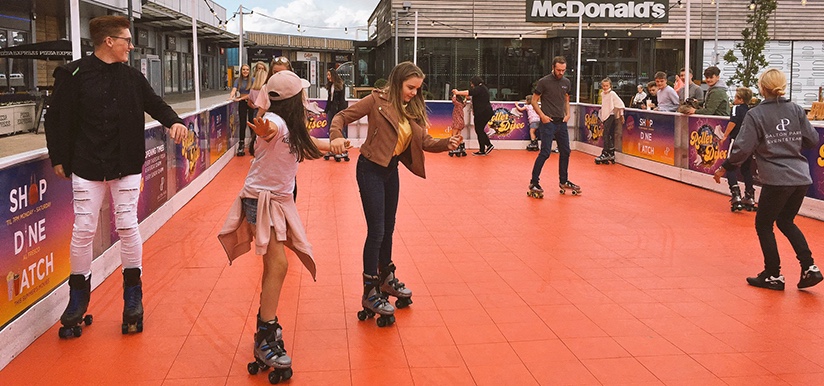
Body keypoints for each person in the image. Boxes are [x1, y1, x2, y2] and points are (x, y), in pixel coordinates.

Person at [44, 15, 187, 338]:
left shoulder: (133, 78)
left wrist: (174, 121)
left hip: (126, 165)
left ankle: (133, 295)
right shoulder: (73, 75)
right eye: (126, 39)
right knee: (83, 229)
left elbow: (155, 103)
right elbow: (56, 120)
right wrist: (58, 159)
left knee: (127, 224)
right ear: (109, 41)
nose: (131, 46)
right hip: (86, 166)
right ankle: (78, 298)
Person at [218, 70, 343, 380]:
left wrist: (336, 145)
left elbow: (307, 145)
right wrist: (264, 128)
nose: (305, 98)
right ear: (290, 100)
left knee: (275, 266)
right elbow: (270, 129)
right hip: (262, 201)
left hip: (277, 200)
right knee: (279, 264)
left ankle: (265, 329)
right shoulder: (278, 122)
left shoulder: (292, 126)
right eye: (301, 93)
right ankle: (265, 333)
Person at [328, 62, 462, 326]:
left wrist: (448, 143)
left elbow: (424, 142)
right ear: (398, 81)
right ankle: (369, 289)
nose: (414, 93)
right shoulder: (376, 101)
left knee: (388, 228)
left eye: (417, 89)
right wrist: (335, 136)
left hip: (391, 170)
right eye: (410, 87)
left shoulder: (412, 109)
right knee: (376, 230)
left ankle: (386, 277)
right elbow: (340, 117)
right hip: (370, 169)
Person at [713, 68, 821, 291]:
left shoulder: (756, 115)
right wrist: (789, 143)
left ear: (761, 89)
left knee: (764, 224)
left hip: (777, 177)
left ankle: (773, 274)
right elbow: (812, 139)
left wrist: (726, 167)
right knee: (785, 221)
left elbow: (743, 148)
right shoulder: (796, 110)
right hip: (800, 177)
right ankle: (809, 267)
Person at [528, 56, 580, 197]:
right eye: (558, 70)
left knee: (566, 151)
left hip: (561, 122)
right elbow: (534, 101)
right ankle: (534, 182)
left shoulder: (566, 82)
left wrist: (568, 114)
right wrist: (542, 116)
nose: (561, 72)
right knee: (545, 153)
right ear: (553, 67)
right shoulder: (544, 82)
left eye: (563, 70)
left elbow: (566, 99)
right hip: (548, 122)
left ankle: (563, 181)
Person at [718, 86, 755, 211]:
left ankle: (736, 195)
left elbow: (733, 122)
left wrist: (725, 136)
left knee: (730, 166)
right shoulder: (751, 111)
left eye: (735, 97)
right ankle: (750, 196)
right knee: (746, 169)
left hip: (736, 140)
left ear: (740, 99)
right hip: (749, 142)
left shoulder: (736, 108)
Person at [453, 76, 495, 155]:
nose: (471, 85)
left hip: (482, 113)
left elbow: (469, 92)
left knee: (479, 130)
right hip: (484, 113)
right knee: (479, 130)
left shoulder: (480, 88)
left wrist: (458, 92)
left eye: (472, 83)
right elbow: (474, 96)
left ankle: (488, 145)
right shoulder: (482, 89)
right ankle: (483, 148)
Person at [594, 78, 625, 165]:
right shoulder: (602, 94)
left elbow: (620, 104)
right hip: (605, 115)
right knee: (608, 134)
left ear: (610, 85)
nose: (605, 87)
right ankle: (610, 152)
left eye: (607, 85)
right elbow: (604, 106)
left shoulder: (612, 94)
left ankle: (606, 152)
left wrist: (621, 115)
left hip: (611, 115)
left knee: (606, 134)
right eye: (603, 86)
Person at [323, 68, 349, 160]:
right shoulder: (331, 86)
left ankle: (344, 150)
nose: (328, 77)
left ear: (334, 75)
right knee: (331, 129)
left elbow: (342, 100)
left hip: (339, 110)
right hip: (332, 110)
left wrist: (341, 112)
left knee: (340, 129)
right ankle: (333, 148)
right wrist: (326, 111)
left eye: (329, 75)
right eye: (327, 75)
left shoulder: (341, 85)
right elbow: (329, 100)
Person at [229, 64, 254, 156]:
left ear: (249, 71)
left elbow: (252, 93)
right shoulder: (237, 80)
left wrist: (240, 98)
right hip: (242, 103)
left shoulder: (252, 80)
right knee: (242, 123)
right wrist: (231, 97)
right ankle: (241, 144)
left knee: (252, 122)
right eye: (243, 69)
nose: (245, 71)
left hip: (251, 102)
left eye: (247, 70)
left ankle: (253, 143)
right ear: (241, 71)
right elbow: (234, 90)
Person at [245, 63, 268, 157]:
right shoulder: (266, 89)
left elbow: (249, 102)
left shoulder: (252, 90)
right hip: (265, 111)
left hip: (255, 111)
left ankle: (254, 149)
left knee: (256, 132)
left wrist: (254, 106)